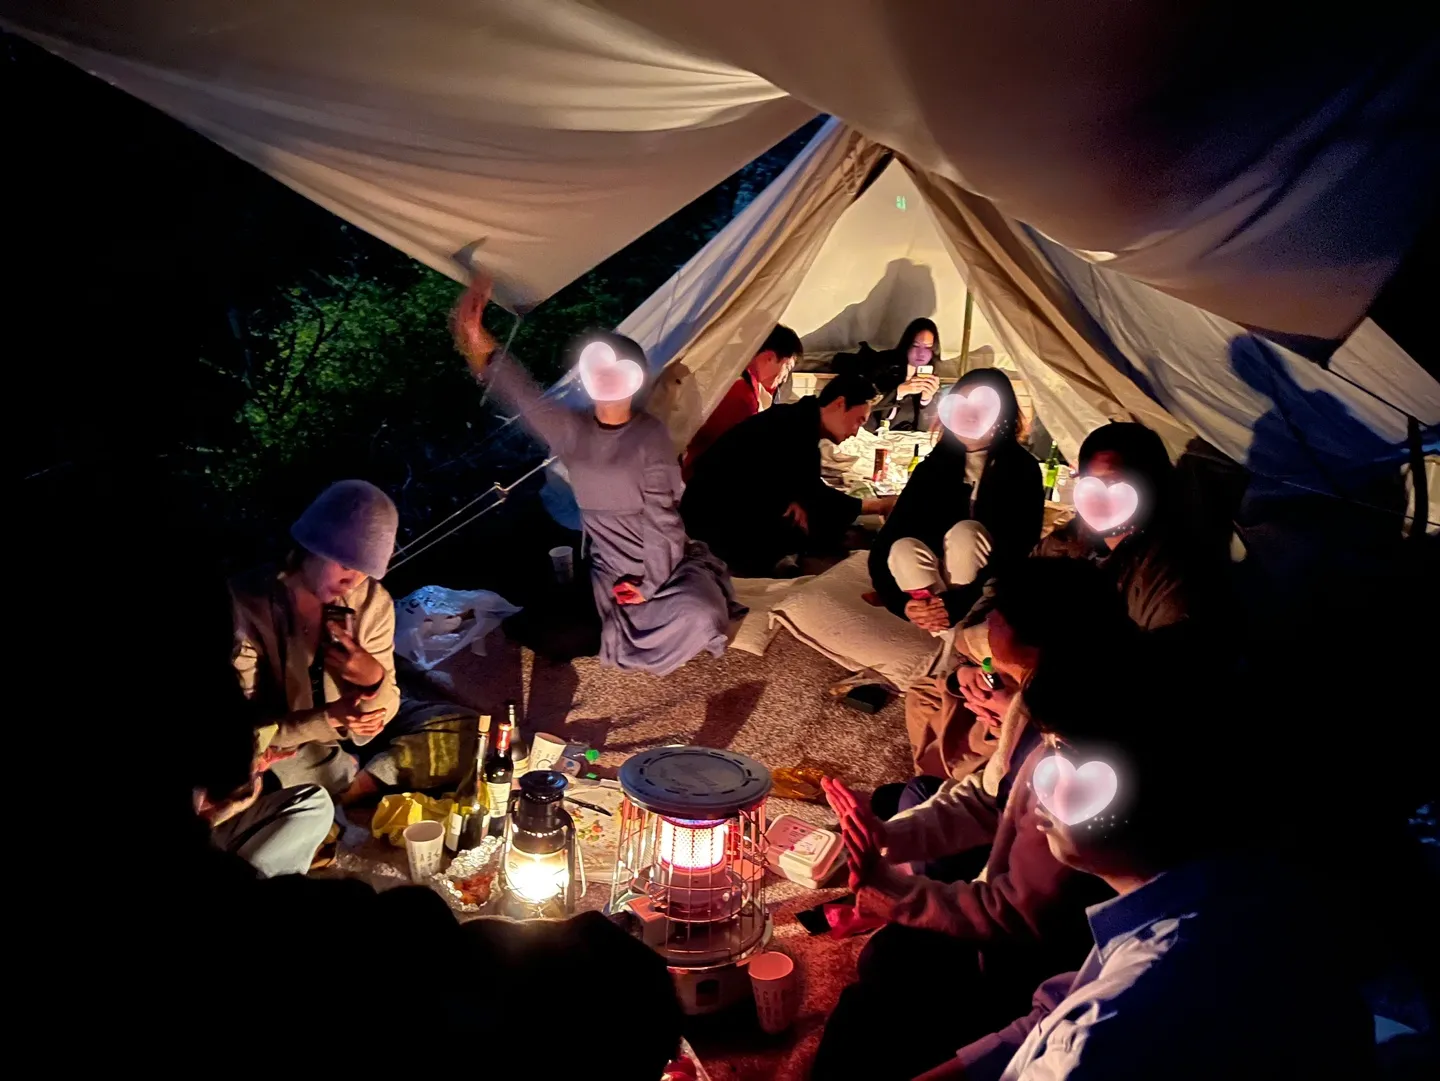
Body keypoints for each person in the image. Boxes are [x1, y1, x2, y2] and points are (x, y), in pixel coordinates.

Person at [917, 640, 1375, 1081]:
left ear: (1141, 791)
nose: (1042, 779)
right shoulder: (1231, 885)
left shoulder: (1103, 1031)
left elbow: (1077, 1031)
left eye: (1065, 756)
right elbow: (1055, 1013)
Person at [812, 560, 1131, 1081]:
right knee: (888, 952)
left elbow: (1019, 916)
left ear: (1042, 641)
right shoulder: (1036, 697)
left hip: (1029, 966)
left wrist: (890, 891)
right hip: (1004, 912)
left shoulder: (1082, 759)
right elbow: (988, 797)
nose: (988, 627)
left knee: (871, 1010)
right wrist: (889, 835)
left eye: (999, 617)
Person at [452, 276, 743, 676]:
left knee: (701, 614)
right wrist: (475, 336)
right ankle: (609, 625)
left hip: (665, 568)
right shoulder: (574, 431)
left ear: (635, 378)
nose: (607, 378)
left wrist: (649, 586)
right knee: (551, 634)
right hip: (606, 570)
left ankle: (652, 618)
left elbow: (663, 522)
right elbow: (523, 395)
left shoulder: (649, 436)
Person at [230, 478, 403, 808]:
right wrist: (329, 717)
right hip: (286, 742)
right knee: (258, 780)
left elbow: (383, 712)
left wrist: (373, 680)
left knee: (460, 725)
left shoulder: (373, 603)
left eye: (364, 571)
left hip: (345, 740)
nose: (352, 580)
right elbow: (241, 729)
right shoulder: (246, 605)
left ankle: (354, 779)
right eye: (345, 564)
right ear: (312, 547)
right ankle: (348, 784)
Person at [869, 368, 1043, 629]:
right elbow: (886, 542)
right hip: (934, 587)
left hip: (985, 592)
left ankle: (960, 625)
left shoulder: (1021, 469)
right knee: (903, 548)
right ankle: (939, 625)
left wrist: (959, 603)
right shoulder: (934, 468)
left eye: (982, 407)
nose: (969, 415)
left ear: (1002, 412)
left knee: (966, 533)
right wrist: (901, 604)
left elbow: (1017, 550)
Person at [680, 372, 898, 577]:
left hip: (720, 509)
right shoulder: (791, 426)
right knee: (811, 530)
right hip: (711, 521)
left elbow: (800, 485)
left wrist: (797, 497)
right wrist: (877, 505)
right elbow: (813, 493)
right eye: (858, 420)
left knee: (816, 522)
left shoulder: (799, 420)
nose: (856, 431)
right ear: (839, 404)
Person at [1037, 421, 1195, 630]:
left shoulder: (1165, 577)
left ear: (1150, 485)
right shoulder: (1060, 546)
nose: (1097, 495)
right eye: (1089, 482)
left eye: (1113, 482)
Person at [680, 324, 802, 480]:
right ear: (769, 357)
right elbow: (737, 456)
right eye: (787, 367)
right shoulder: (741, 396)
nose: (784, 378)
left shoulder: (737, 383)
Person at [833, 317, 944, 433]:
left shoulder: (932, 379)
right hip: (871, 434)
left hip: (904, 438)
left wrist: (926, 400)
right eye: (915, 345)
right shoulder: (886, 364)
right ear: (907, 345)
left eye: (928, 347)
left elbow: (925, 429)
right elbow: (863, 404)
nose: (921, 353)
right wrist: (899, 392)